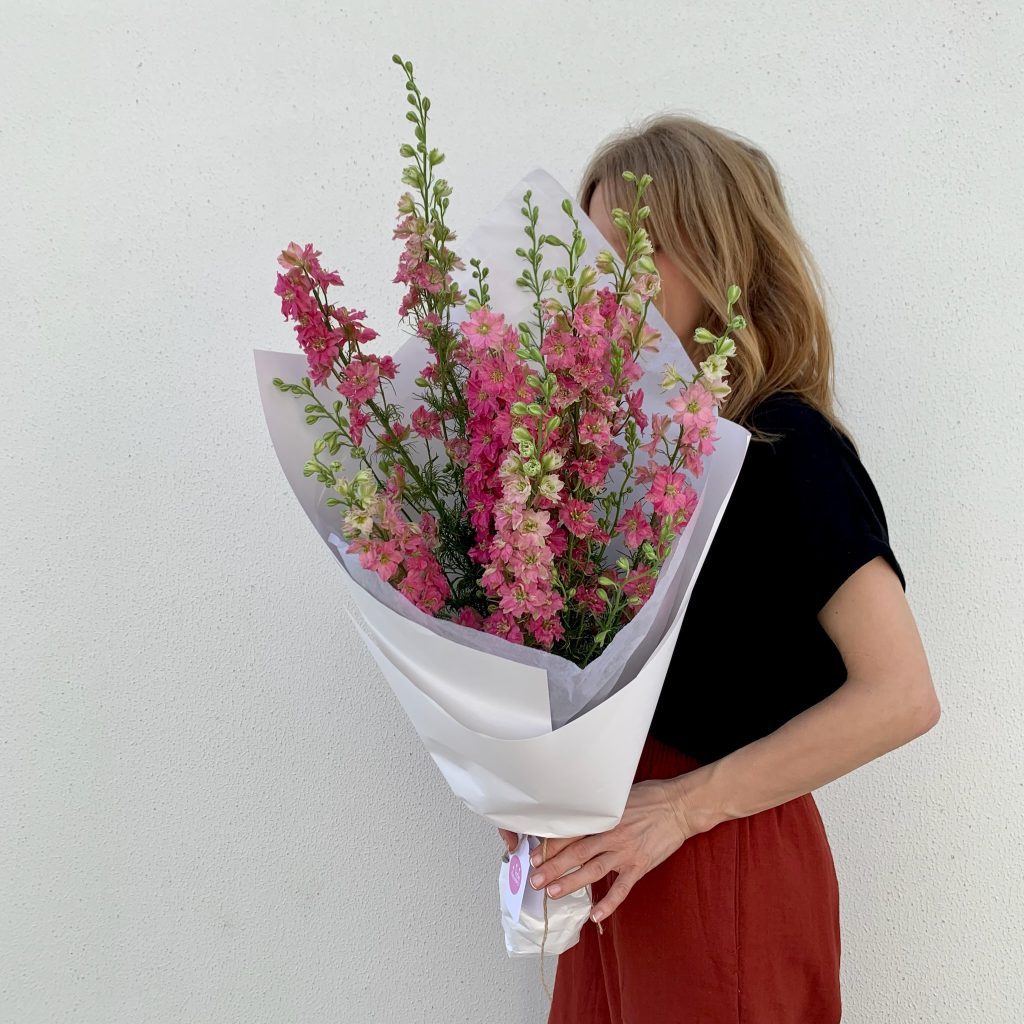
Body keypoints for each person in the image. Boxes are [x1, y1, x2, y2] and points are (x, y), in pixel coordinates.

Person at [499, 113, 940, 1023]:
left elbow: (901, 694)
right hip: (619, 864)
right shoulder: (612, 461)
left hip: (718, 857)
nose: (604, 285)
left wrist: (684, 810)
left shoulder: (787, 447)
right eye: (593, 255)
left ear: (716, 253)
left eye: (636, 252)